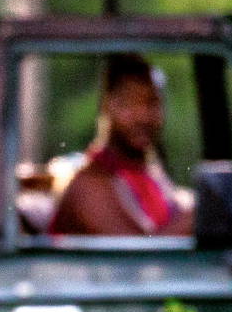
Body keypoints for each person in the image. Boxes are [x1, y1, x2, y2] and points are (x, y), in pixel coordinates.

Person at [48, 54, 193, 236]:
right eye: (128, 103)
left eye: (152, 102)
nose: (142, 116)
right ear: (107, 106)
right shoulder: (88, 185)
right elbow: (140, 258)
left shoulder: (150, 174)